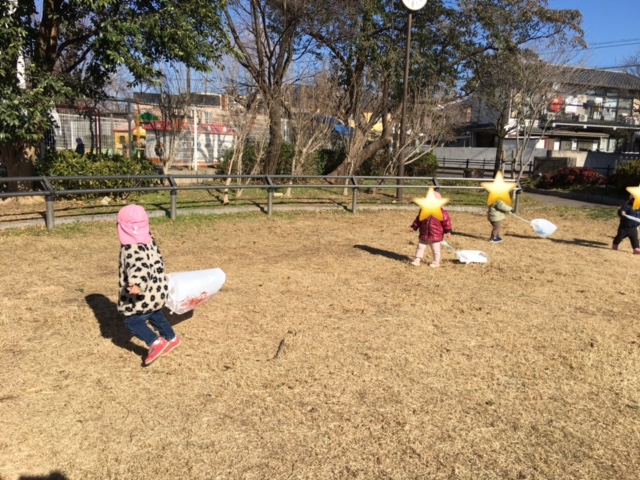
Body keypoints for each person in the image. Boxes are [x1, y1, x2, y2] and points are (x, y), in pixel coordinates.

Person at [117, 204, 180, 365]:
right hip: (156, 291)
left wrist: (137, 284)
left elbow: (138, 266)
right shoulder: (149, 240)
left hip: (142, 295)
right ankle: (171, 338)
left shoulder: (130, 248)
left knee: (132, 321)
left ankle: (155, 342)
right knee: (155, 314)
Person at [409, 192, 453, 268]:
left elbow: (447, 222)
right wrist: (414, 227)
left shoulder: (442, 212)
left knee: (435, 250)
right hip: (424, 233)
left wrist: (448, 231)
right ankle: (417, 260)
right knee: (420, 247)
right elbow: (419, 219)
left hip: (436, 235)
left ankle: (436, 262)